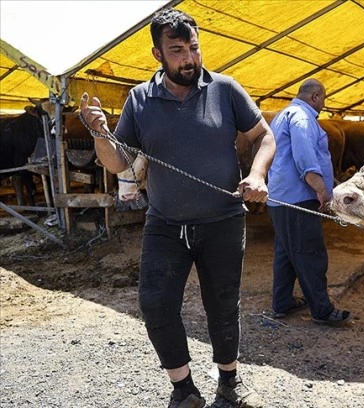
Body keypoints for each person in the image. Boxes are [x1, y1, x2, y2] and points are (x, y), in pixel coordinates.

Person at [80, 8, 274, 408]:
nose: (189, 58)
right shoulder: (140, 99)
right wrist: (100, 133)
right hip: (165, 224)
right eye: (177, 50)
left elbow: (264, 137)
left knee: (222, 302)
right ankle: (184, 389)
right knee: (155, 302)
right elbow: (119, 162)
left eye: (194, 48)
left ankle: (229, 383)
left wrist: (258, 175)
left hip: (222, 220)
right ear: (157, 54)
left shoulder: (226, 89)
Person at [266, 79, 352, 325]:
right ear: (315, 96)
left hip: (280, 198)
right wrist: (323, 192)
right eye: (324, 99)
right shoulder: (303, 118)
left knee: (285, 252)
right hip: (298, 199)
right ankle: (322, 311)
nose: (324, 105)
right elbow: (306, 161)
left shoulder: (284, 114)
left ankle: (282, 303)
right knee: (310, 253)